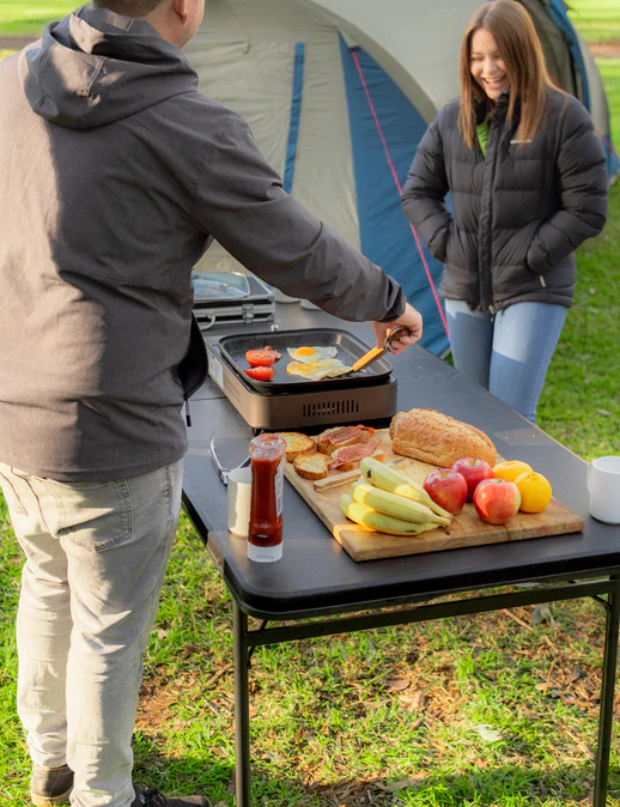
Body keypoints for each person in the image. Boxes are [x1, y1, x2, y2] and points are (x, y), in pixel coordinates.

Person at [0, 1, 423, 806]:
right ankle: (102, 794)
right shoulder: (184, 120)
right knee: (107, 626)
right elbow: (295, 245)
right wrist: (386, 297)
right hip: (110, 421)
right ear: (183, 5)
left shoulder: (15, 78)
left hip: (14, 407)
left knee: (48, 581)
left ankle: (53, 758)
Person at [401, 0, 607, 423]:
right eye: (477, 58)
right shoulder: (452, 118)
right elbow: (417, 192)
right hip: (466, 286)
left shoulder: (563, 116)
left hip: (533, 284)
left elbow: (587, 207)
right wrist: (449, 245)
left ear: (522, 53)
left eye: (499, 56)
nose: (488, 68)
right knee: (471, 417)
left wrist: (531, 255)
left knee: (510, 418)